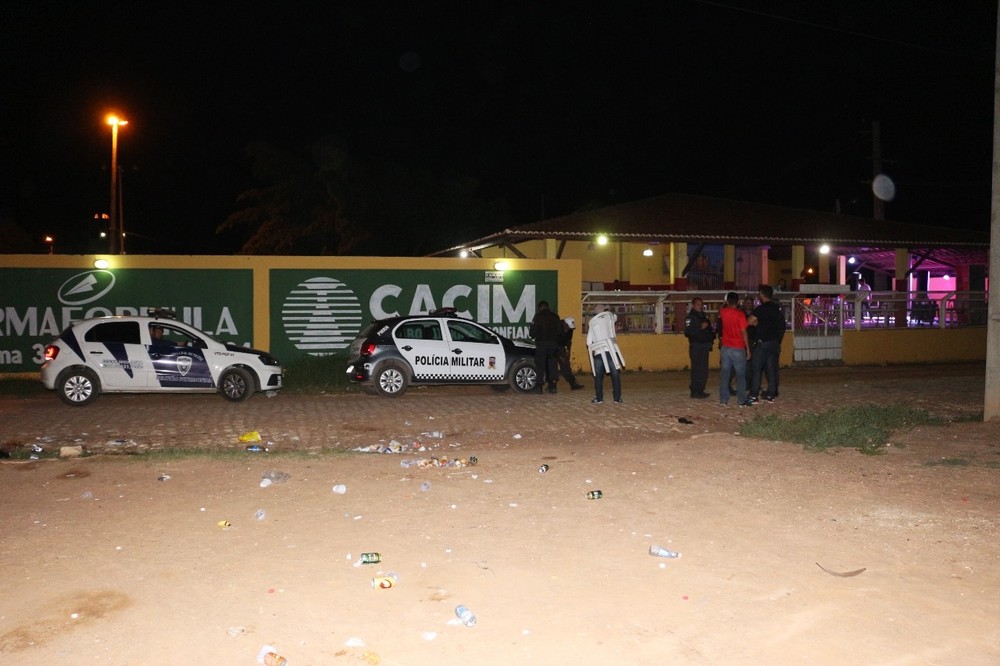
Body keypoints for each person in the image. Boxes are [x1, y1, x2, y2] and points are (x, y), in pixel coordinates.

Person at [747, 284, 785, 403]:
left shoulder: (760, 309)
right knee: (771, 369)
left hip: (762, 342)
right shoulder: (776, 309)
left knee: (756, 368)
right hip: (774, 342)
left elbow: (749, 321)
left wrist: (757, 323)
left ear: (762, 295)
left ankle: (753, 395)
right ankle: (770, 394)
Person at [717, 291, 752, 407]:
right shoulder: (740, 314)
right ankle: (741, 400)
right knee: (740, 376)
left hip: (726, 347)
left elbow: (723, 306)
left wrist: (725, 302)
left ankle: (723, 400)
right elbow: (744, 332)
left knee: (725, 375)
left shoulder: (723, 312)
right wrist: (748, 349)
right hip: (738, 347)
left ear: (727, 301)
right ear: (738, 302)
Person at [586, 306, 624, 404]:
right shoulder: (610, 318)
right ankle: (617, 398)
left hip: (599, 352)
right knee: (615, 375)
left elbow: (588, 341)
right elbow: (615, 317)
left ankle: (599, 398)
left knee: (598, 377)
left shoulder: (593, 323)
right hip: (611, 351)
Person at [529, 300, 563, 393]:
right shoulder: (555, 317)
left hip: (541, 344)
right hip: (553, 344)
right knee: (553, 365)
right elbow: (560, 332)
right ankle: (553, 386)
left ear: (540, 308)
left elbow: (532, 332)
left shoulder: (537, 317)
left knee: (540, 365)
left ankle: (539, 387)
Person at [683, 297, 714, 399]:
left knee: (703, 370)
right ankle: (695, 390)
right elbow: (687, 332)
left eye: (701, 304)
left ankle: (700, 389)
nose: (700, 306)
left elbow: (709, 329)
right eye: (698, 304)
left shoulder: (703, 316)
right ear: (693, 305)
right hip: (696, 345)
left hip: (704, 345)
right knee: (697, 369)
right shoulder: (690, 317)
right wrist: (700, 328)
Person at [556, 316, 585, 390]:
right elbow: (552, 341)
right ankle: (551, 385)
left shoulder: (570, 329)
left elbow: (569, 341)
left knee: (566, 365)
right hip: (552, 347)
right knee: (552, 366)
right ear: (564, 324)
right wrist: (559, 355)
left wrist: (568, 351)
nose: (569, 329)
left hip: (562, 347)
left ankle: (572, 383)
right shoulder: (556, 327)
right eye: (568, 327)